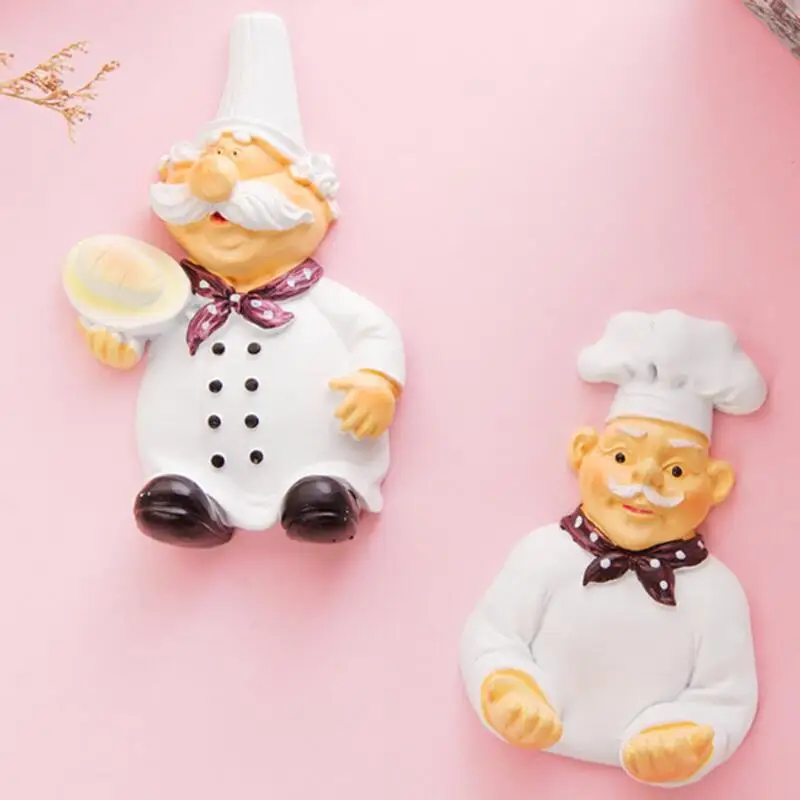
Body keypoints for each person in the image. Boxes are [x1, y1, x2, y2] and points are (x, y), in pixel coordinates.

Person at [72, 13, 405, 547]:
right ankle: (191, 498)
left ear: (315, 201)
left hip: (314, 450)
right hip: (194, 456)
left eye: (248, 173)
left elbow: (374, 330)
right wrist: (118, 341)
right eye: (212, 168)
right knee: (178, 485)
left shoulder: (321, 301)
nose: (219, 187)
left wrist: (377, 381)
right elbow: (140, 325)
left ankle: (323, 492)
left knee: (318, 481)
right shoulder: (176, 296)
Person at [460, 310, 766, 786]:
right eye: (622, 456)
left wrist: (689, 736)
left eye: (677, 471)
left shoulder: (717, 592)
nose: (645, 481)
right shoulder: (544, 553)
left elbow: (726, 691)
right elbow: (494, 634)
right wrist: (508, 686)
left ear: (717, 483)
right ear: (583, 452)